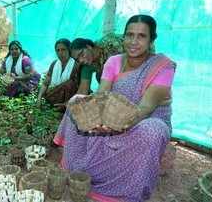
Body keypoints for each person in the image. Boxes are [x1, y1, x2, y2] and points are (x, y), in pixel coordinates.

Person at [53, 14, 176, 202]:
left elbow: (145, 108)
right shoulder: (114, 61)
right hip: (112, 116)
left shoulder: (163, 66)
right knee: (76, 101)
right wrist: (97, 117)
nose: (133, 41)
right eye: (129, 35)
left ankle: (125, 190)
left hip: (146, 120)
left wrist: (115, 125)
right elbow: (102, 96)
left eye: (141, 36)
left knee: (152, 130)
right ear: (123, 37)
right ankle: (80, 169)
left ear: (151, 40)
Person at [37, 38, 80, 110]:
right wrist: (39, 99)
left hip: (70, 100)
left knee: (69, 84)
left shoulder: (76, 65)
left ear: (69, 50)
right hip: (54, 96)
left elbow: (78, 88)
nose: (60, 53)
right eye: (58, 50)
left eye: (63, 50)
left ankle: (65, 107)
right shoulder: (54, 64)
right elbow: (45, 83)